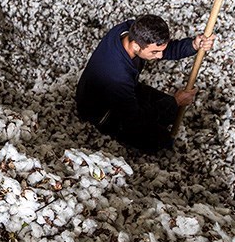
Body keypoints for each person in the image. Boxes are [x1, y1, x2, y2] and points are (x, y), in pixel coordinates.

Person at [76, 14, 215, 153]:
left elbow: (163, 49)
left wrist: (193, 45)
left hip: (119, 90)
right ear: (136, 46)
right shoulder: (118, 76)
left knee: (167, 109)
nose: (160, 56)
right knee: (160, 140)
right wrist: (175, 101)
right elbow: (134, 119)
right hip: (101, 111)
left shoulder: (130, 30)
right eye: (155, 52)